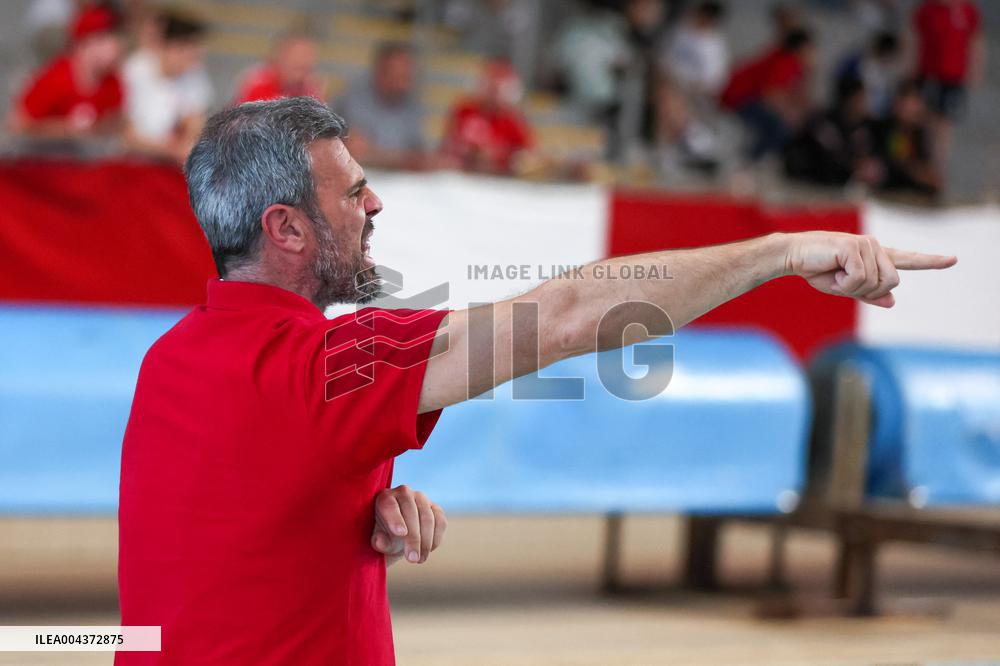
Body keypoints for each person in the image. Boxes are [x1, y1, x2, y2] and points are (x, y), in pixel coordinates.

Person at [117, 95, 956, 665]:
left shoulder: (173, 359)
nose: (375, 208)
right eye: (356, 192)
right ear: (286, 228)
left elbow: (218, 536)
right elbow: (563, 315)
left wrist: (341, 512)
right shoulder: (328, 370)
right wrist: (783, 252)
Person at [8, 4, 124, 140]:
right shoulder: (56, 77)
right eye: (104, 39)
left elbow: (114, 124)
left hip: (86, 159)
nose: (115, 46)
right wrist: (64, 129)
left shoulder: (112, 81)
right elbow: (16, 124)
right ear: (83, 44)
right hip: (46, 157)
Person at [122, 9, 212, 164]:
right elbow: (128, 136)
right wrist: (171, 149)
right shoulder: (134, 71)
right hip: (133, 161)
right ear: (171, 47)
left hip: (169, 160)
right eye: (191, 48)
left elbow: (195, 123)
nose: (198, 54)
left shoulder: (194, 74)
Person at [720, 28, 816, 162]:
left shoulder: (788, 60)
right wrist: (789, 114)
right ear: (802, 47)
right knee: (779, 128)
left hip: (746, 97)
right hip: (738, 99)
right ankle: (749, 161)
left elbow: (794, 94)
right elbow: (770, 94)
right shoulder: (785, 61)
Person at [333, 41, 428, 170]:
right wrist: (403, 159)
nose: (409, 76)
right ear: (382, 70)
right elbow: (358, 153)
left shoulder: (410, 103)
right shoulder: (355, 99)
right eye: (402, 72)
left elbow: (419, 155)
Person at [912, 0, 984, 165]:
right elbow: (914, 37)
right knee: (926, 118)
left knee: (946, 122)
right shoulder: (927, 9)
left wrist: (976, 69)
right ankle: (926, 159)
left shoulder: (967, 10)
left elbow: (976, 41)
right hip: (928, 74)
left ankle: (940, 163)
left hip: (953, 76)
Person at [440, 59, 535, 175]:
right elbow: (449, 146)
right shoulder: (464, 111)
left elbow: (529, 155)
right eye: (490, 85)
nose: (493, 92)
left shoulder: (513, 120)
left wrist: (502, 155)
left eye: (498, 87)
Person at [784, 78, 876, 187]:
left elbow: (865, 153)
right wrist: (854, 166)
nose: (866, 103)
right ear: (850, 99)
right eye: (861, 98)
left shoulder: (864, 125)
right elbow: (827, 161)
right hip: (811, 184)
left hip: (841, 183)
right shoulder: (825, 124)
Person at [868, 79, 942, 196]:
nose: (917, 108)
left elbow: (926, 162)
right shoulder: (887, 128)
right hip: (892, 186)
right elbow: (895, 161)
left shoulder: (919, 132)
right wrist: (916, 172)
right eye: (911, 103)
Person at [232, 31, 323, 105]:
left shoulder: (309, 90)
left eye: (309, 55)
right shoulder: (259, 84)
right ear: (281, 56)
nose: (304, 61)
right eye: (299, 55)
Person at [835, 31, 901, 119]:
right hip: (853, 113)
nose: (889, 59)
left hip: (876, 117)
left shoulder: (888, 72)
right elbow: (839, 81)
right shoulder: (857, 63)